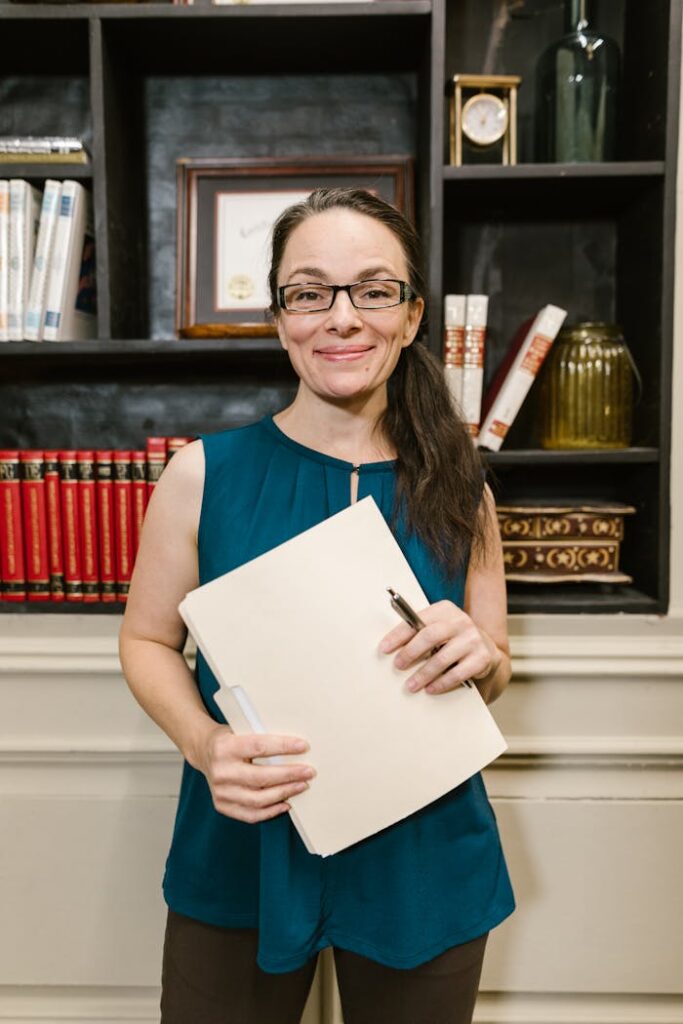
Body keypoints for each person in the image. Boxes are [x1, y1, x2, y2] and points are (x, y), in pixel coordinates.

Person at [119, 187, 515, 1024]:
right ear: (280, 316)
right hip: (243, 843)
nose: (342, 317)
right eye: (310, 292)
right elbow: (148, 639)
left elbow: (495, 666)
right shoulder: (198, 475)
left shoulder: (464, 488)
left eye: (373, 290)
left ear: (410, 318)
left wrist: (477, 658)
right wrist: (204, 743)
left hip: (426, 851)